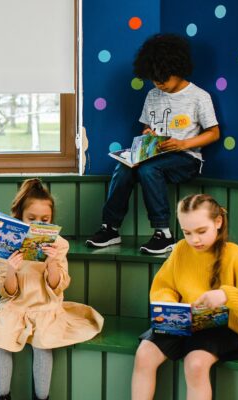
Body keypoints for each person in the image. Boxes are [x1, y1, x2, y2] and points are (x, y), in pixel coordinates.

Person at [0, 178, 104, 400]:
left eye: (45, 219)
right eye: (31, 219)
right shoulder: (6, 242)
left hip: (45, 306)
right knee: (2, 340)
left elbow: (58, 287)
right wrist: (11, 269)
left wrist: (51, 263)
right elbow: (7, 292)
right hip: (15, 306)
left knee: (44, 343)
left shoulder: (59, 244)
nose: (37, 223)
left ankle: (42, 398)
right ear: (20, 216)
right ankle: (2, 396)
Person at [86, 33, 221, 254]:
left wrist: (183, 144)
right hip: (155, 154)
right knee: (123, 167)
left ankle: (163, 233)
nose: (158, 84)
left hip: (186, 158)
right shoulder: (152, 95)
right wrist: (147, 134)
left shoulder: (199, 97)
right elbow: (146, 128)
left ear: (177, 70)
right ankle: (110, 228)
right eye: (154, 79)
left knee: (149, 169)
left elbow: (214, 133)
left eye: (163, 79)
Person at [131, 194, 238, 400]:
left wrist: (225, 295)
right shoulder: (180, 250)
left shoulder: (235, 255)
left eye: (201, 231)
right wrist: (169, 305)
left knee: (195, 364)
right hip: (183, 322)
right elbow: (163, 286)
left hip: (222, 328)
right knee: (144, 355)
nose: (194, 239)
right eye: (187, 232)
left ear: (218, 222)